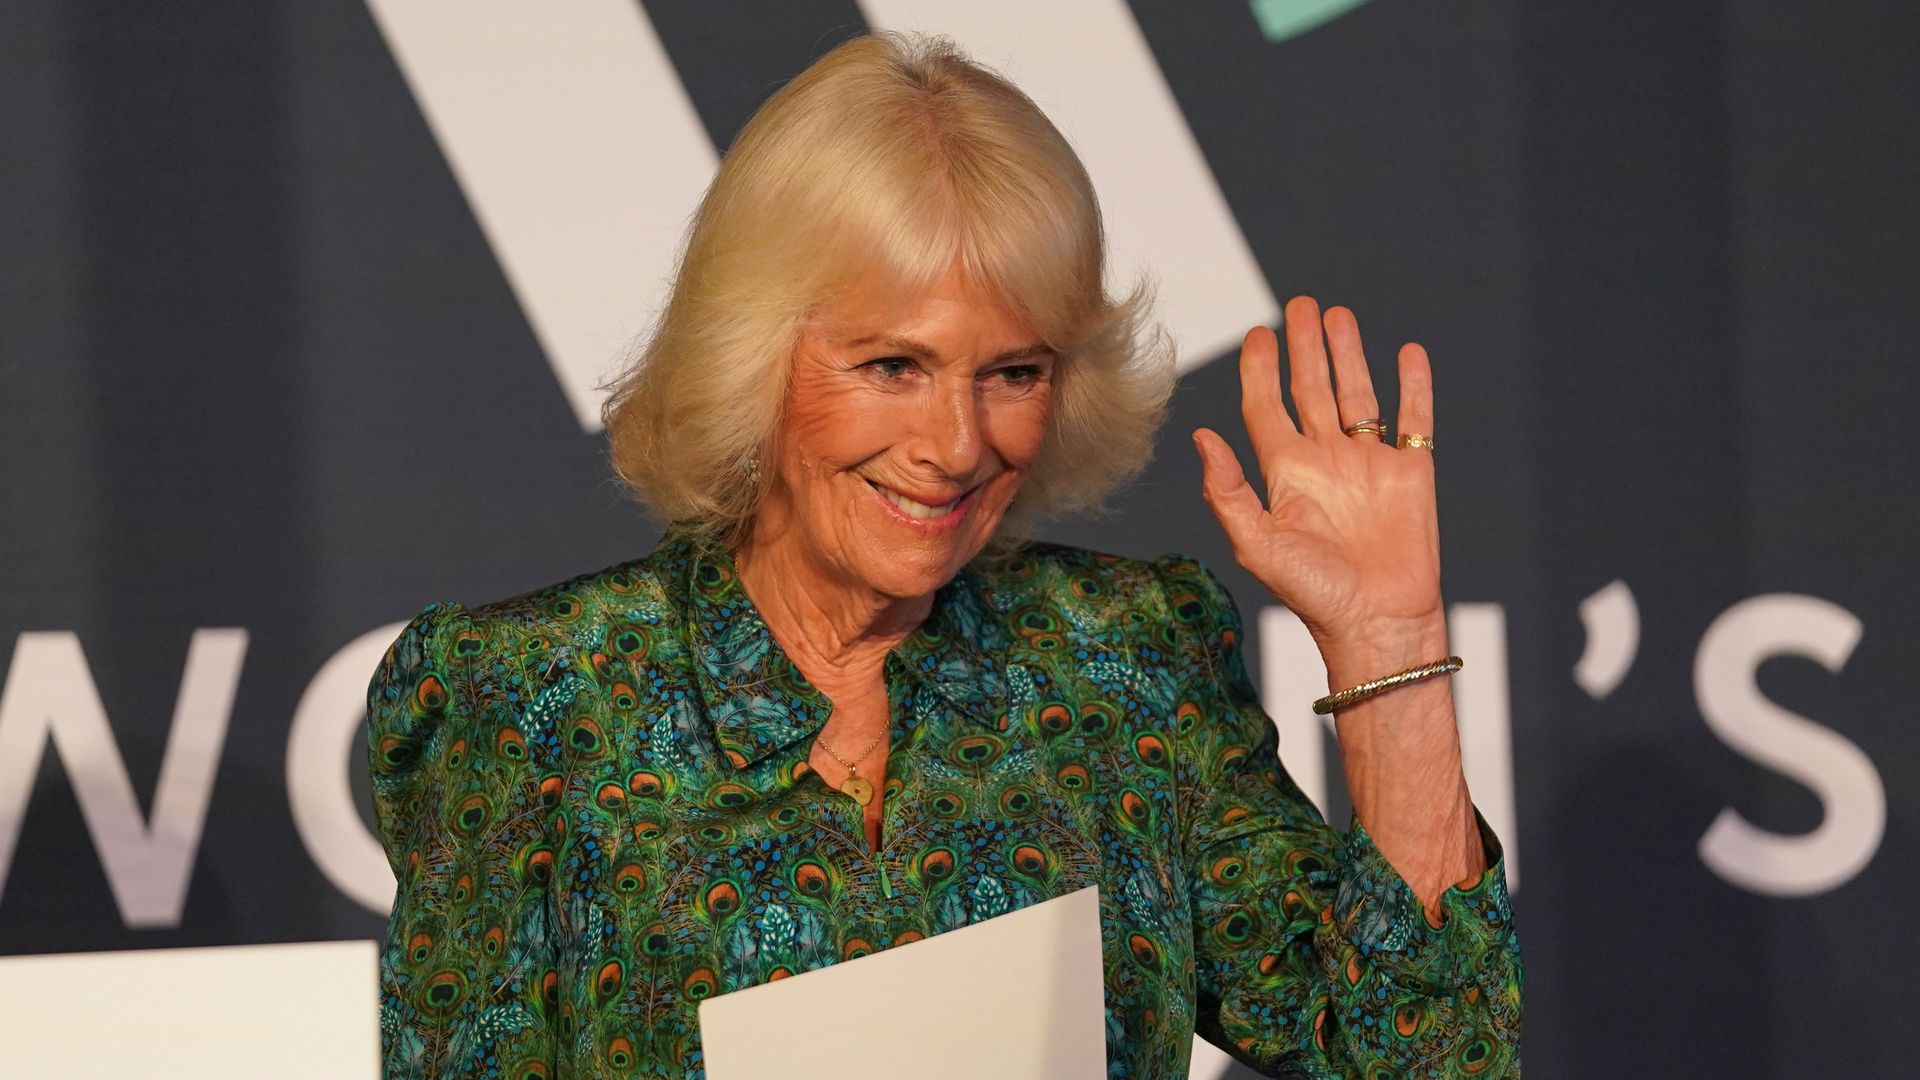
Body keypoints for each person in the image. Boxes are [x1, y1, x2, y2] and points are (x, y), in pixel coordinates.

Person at [367, 31, 1521, 1080]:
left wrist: (1391, 642)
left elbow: (1426, 1065)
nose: (955, 445)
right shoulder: (525, 694)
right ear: (752, 358)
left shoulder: (1127, 662)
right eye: (891, 368)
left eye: (1012, 373)